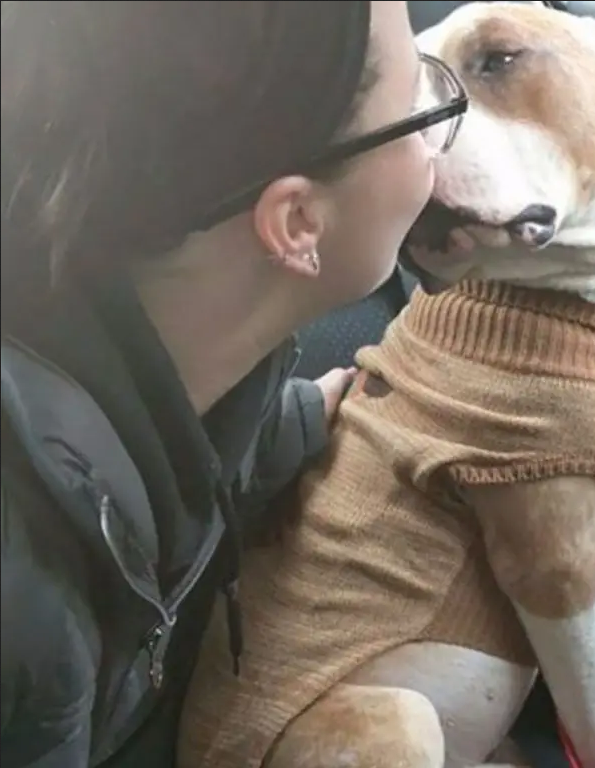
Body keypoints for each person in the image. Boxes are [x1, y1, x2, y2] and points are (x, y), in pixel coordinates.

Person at [0, 2, 467, 766]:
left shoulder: (111, 320)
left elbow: (198, 439)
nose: (436, 143)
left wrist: (315, 414)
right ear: (296, 222)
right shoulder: (24, 597)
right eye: (422, 108)